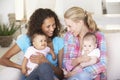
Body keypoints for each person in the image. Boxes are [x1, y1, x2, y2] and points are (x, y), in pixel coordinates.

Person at [0, 8, 64, 80]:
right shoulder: (25, 40)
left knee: (44, 66)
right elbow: (2, 60)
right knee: (44, 67)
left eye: (54, 25)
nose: (52, 29)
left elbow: (61, 74)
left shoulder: (58, 41)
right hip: (31, 77)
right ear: (39, 26)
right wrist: (22, 67)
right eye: (48, 26)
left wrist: (46, 62)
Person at [63, 6, 107, 80]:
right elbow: (65, 63)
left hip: (91, 77)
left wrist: (79, 71)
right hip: (72, 77)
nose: (68, 29)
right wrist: (79, 60)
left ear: (80, 23)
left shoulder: (99, 36)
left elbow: (103, 64)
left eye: (70, 26)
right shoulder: (69, 36)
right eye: (67, 26)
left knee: (84, 76)